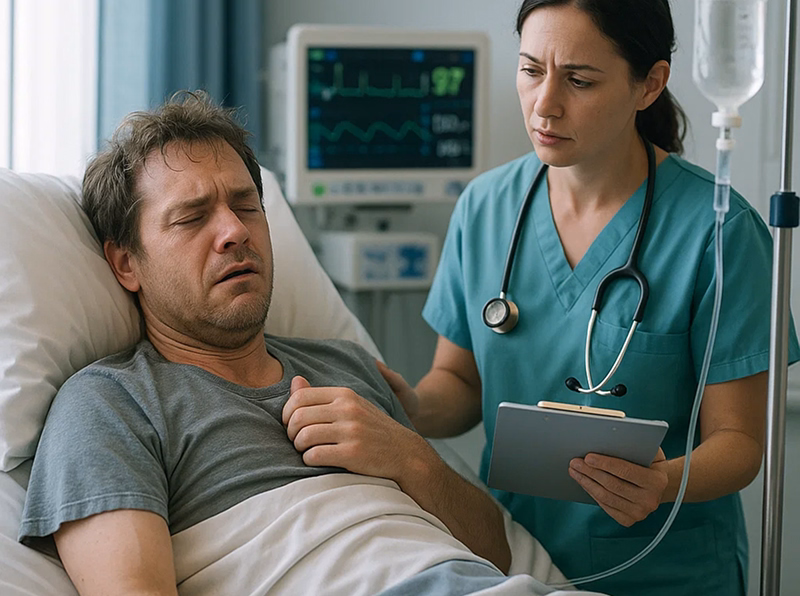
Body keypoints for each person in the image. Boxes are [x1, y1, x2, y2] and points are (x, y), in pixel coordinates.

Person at [15, 91, 557, 596]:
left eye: (247, 205)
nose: (234, 230)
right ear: (126, 263)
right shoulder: (109, 405)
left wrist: (410, 459)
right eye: (192, 216)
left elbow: (495, 550)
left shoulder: (345, 366)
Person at [377, 1, 800, 595]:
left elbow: (740, 445)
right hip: (512, 560)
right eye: (530, 71)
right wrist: (411, 406)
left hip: (662, 572)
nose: (545, 104)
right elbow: (462, 384)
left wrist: (662, 482)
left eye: (579, 80)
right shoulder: (485, 208)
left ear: (649, 84)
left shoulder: (718, 232)